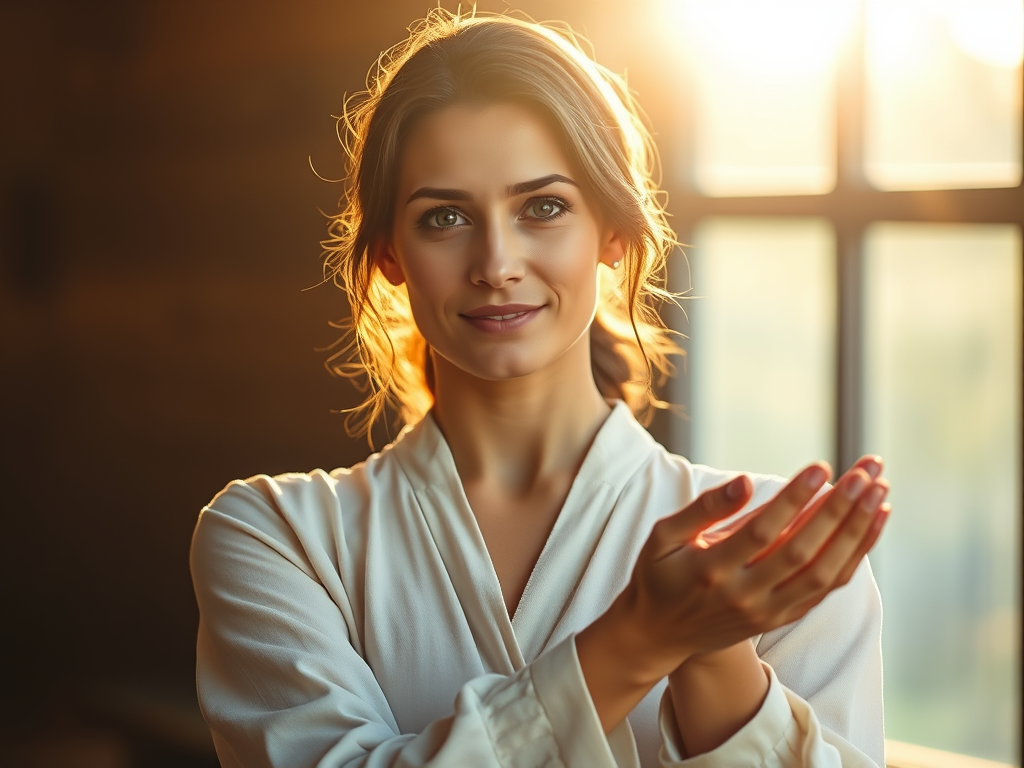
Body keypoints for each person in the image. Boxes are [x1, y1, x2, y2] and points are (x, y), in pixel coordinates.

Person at [190, 10, 890, 767]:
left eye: (543, 207)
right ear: (390, 253)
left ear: (613, 232)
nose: (496, 261)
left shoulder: (785, 560)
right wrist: (642, 638)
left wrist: (714, 651)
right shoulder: (276, 538)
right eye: (446, 217)